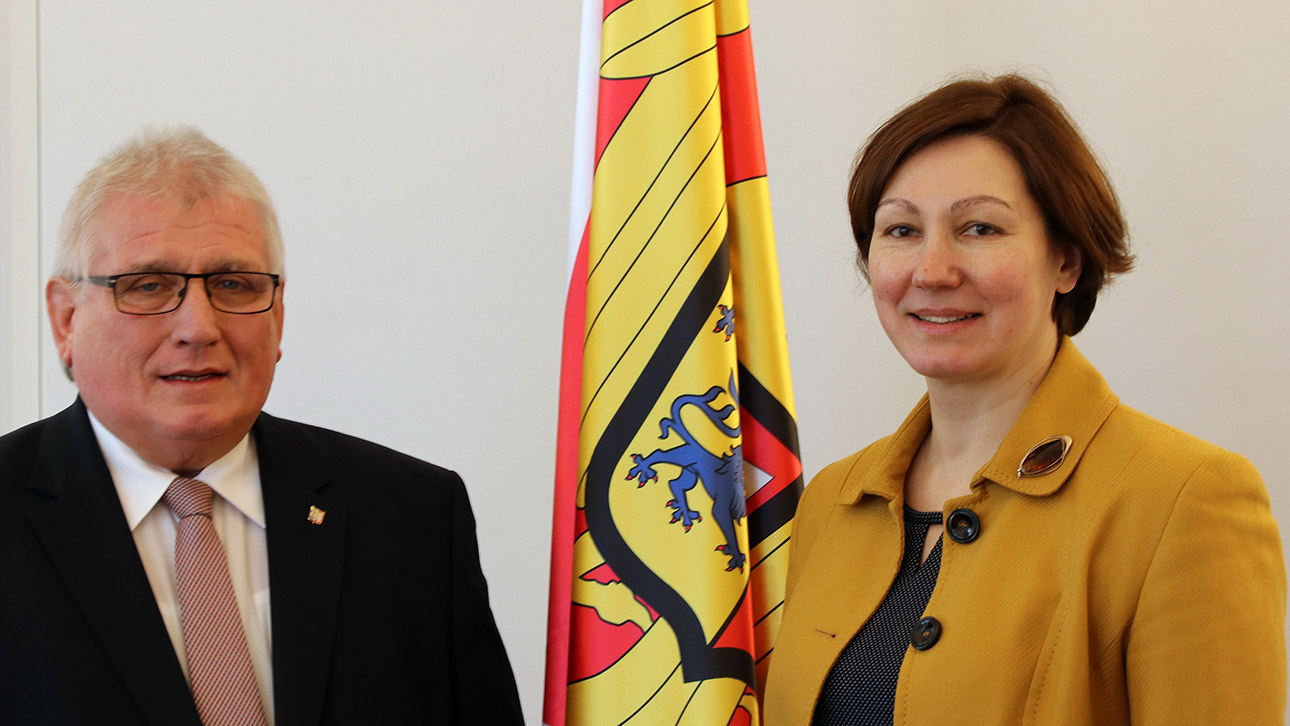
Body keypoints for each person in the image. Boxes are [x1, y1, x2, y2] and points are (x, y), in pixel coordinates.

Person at [764, 74, 1285, 725]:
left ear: (1066, 260)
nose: (931, 270)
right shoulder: (832, 502)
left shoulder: (1186, 498)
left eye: (979, 228)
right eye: (900, 230)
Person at [0, 127, 524, 725]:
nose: (198, 327)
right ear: (66, 321)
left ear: (277, 315)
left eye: (233, 284)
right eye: (147, 286)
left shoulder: (413, 516)